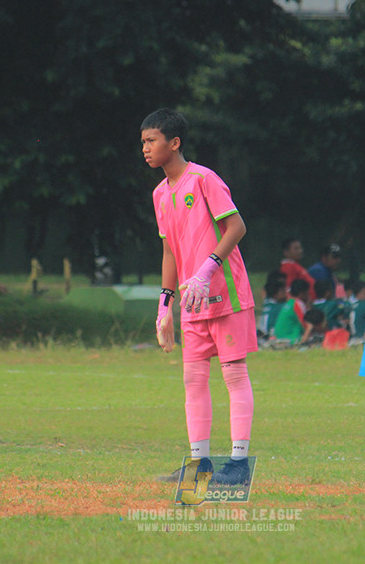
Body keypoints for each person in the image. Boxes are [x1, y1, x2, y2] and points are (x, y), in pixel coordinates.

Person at [141, 108, 256, 487]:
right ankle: (199, 464)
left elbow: (236, 226)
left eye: (151, 140)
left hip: (226, 294)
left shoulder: (204, 179)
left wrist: (207, 271)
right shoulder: (160, 194)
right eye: (143, 142)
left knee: (234, 374)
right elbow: (170, 252)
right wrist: (164, 307)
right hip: (192, 302)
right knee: (193, 378)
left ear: (174, 143)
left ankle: (238, 465)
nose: (145, 148)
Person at [273, 279, 313, 347]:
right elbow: (304, 323)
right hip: (290, 338)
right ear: (302, 293)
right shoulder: (297, 303)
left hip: (279, 337)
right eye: (307, 292)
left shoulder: (289, 303)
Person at [257, 273, 288, 342]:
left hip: (260, 333)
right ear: (275, 294)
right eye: (283, 291)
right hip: (269, 335)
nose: (286, 293)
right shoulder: (280, 307)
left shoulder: (267, 303)